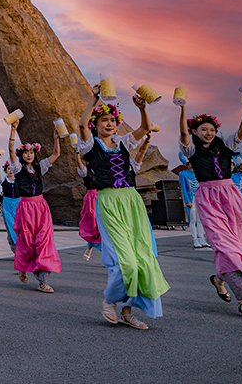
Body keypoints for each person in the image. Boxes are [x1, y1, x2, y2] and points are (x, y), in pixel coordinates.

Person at [79, 87, 167, 330]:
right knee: (124, 260)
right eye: (104, 120)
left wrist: (142, 108)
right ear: (96, 125)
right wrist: (94, 100)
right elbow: (81, 125)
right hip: (109, 201)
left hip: (132, 201)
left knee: (142, 259)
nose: (109, 123)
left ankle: (128, 311)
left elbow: (144, 128)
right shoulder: (90, 146)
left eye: (113, 120)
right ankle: (110, 301)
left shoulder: (124, 143)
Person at [179, 96, 242, 318]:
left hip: (232, 195)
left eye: (211, 129)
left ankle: (218, 279)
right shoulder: (191, 150)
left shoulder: (225, 147)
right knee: (225, 246)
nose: (208, 133)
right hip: (208, 198)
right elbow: (184, 135)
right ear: (195, 132)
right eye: (203, 129)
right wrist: (183, 108)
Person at [7, 121, 61, 292]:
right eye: (26, 153)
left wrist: (56, 138)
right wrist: (13, 130)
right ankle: (23, 267)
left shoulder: (41, 166)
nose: (29, 155)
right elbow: (10, 150)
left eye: (31, 152)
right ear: (22, 155)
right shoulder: (17, 169)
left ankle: (43, 281)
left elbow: (56, 154)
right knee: (26, 242)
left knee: (44, 241)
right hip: (25, 208)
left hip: (41, 207)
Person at [75, 148, 102, 261]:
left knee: (103, 225)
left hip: (103, 197)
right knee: (93, 226)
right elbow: (79, 164)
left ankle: (107, 251)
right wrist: (77, 154)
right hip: (91, 199)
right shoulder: (87, 171)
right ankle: (89, 247)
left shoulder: (103, 169)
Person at [178, 153, 208, 248]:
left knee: (201, 220)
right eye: (190, 162)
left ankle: (202, 239)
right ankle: (195, 239)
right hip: (191, 199)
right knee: (193, 219)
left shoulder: (199, 172)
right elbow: (183, 188)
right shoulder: (183, 174)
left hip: (200, 198)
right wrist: (187, 201)